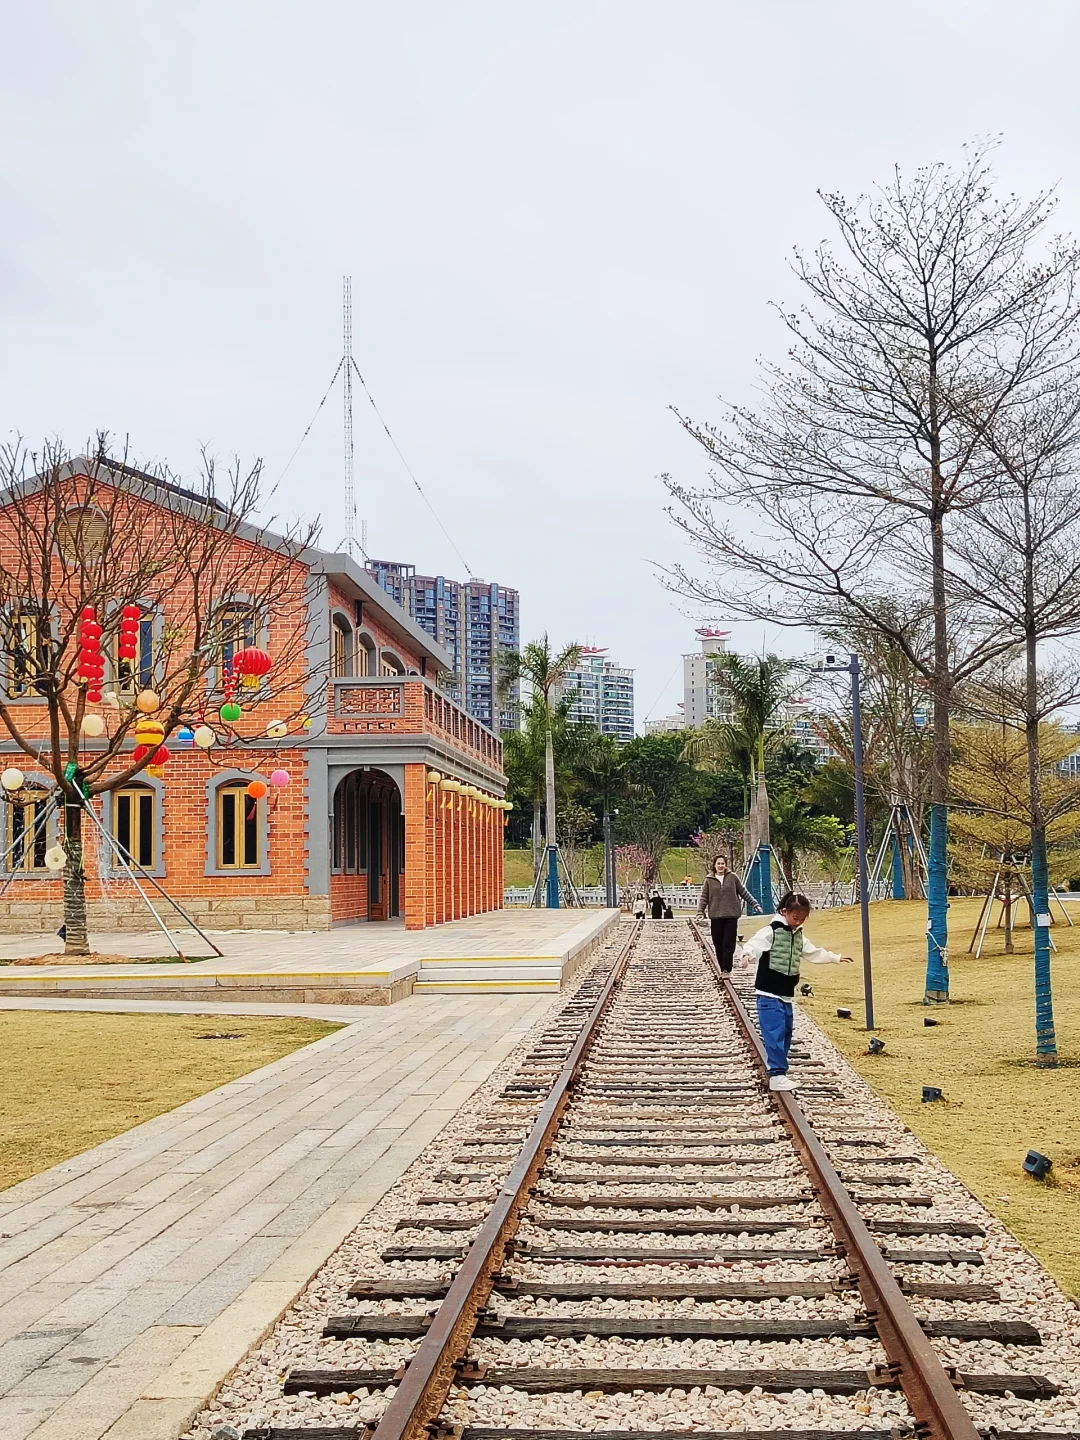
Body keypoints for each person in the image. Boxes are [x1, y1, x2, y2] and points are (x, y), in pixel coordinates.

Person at [738, 890, 853, 1091]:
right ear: (784, 911)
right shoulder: (772, 930)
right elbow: (754, 944)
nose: (798, 922)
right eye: (795, 917)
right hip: (768, 992)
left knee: (786, 1032)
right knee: (774, 1033)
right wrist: (747, 955)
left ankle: (779, 1071)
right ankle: (777, 1074)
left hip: (786, 993)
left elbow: (813, 952)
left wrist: (835, 958)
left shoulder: (798, 935)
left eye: (802, 919)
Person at [698, 854, 760, 973]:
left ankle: (726, 969)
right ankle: (723, 967)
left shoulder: (733, 877)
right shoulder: (709, 880)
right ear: (715, 865)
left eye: (722, 863)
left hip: (731, 915)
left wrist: (754, 903)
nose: (721, 866)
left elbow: (743, 892)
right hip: (716, 916)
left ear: (725, 865)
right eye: (718, 864)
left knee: (729, 943)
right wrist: (700, 912)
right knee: (718, 943)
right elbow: (704, 897)